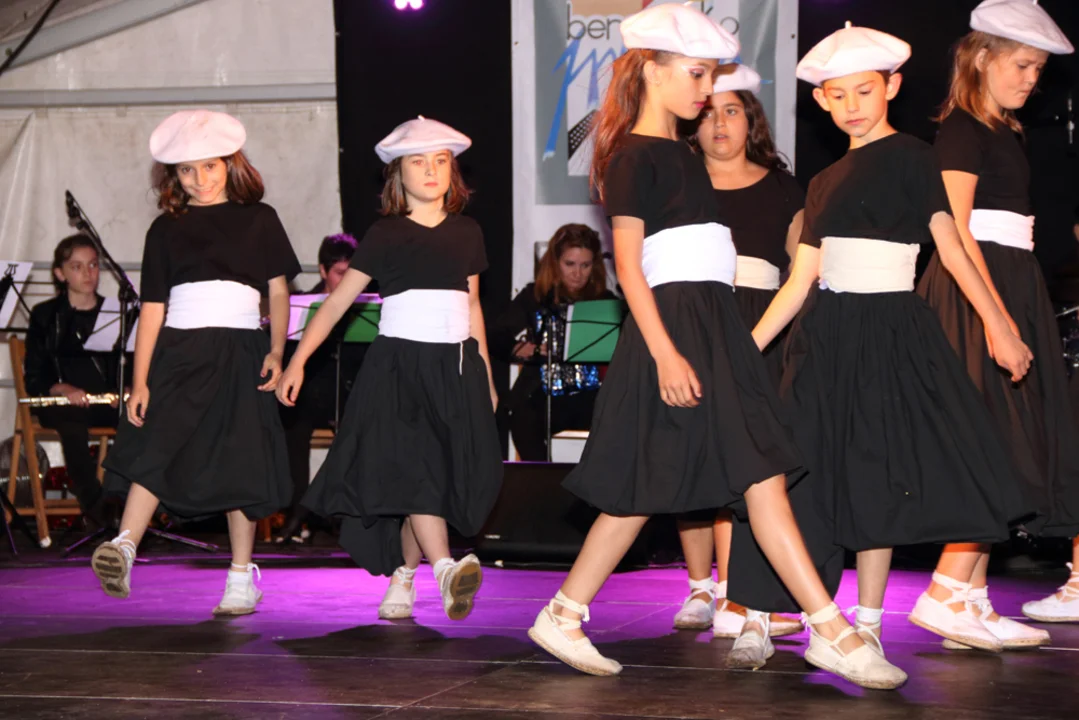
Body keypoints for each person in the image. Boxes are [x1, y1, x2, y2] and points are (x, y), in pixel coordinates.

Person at [527, 4, 906, 690]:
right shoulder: (634, 157)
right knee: (644, 486)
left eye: (710, 75)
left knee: (758, 477)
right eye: (697, 74)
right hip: (674, 328)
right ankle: (564, 612)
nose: (706, 90)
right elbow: (628, 267)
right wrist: (666, 353)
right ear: (652, 71)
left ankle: (830, 630)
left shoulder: (679, 153)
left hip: (712, 324)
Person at [740, 22, 1033, 668]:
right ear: (821, 100)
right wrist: (743, 351)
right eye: (837, 94)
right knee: (802, 469)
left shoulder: (912, 157)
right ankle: (777, 612)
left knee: (879, 473)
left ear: (892, 87)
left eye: (864, 91)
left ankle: (868, 623)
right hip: (825, 337)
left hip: (891, 330)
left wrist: (998, 323)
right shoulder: (822, 181)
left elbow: (951, 247)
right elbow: (799, 282)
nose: (851, 105)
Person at [279, 116, 503, 623]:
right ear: (398, 174)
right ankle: (445, 569)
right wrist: (298, 359)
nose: (431, 170)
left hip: (455, 369)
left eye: (440, 161)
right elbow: (336, 304)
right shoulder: (385, 234)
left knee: (432, 481)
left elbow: (472, 306)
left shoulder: (467, 232)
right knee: (419, 473)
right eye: (418, 162)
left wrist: (487, 375)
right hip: (399, 369)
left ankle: (404, 576)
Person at [92, 110, 299, 616]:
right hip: (180, 352)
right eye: (187, 170)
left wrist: (276, 350)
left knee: (241, 459)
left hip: (242, 350)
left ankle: (240, 577)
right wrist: (140, 379)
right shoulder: (166, 229)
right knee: (156, 442)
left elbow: (278, 291)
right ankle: (124, 546)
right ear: (174, 176)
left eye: (210, 166)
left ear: (230, 164)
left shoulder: (260, 218)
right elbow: (153, 309)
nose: (200, 179)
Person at [916, 0, 1079, 638]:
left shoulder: (1001, 129)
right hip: (977, 290)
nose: (1031, 79)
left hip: (1009, 279)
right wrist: (997, 321)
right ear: (982, 57)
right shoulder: (962, 129)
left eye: (1038, 70)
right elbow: (955, 231)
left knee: (1003, 439)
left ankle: (971, 599)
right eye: (1022, 65)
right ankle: (946, 588)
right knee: (992, 444)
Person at [671, 65, 805, 661]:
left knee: (751, 465)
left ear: (752, 120)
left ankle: (738, 593)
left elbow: (803, 268)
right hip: (697, 320)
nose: (720, 123)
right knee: (695, 456)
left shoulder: (784, 188)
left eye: (732, 111)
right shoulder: (680, 182)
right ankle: (702, 584)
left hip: (764, 326)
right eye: (709, 112)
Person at [24, 234, 127, 527]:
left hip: (105, 401)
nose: (88, 273)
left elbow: (128, 363)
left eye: (93, 265)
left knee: (140, 417)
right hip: (61, 404)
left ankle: (126, 500)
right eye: (77, 267)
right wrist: (59, 387)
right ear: (60, 274)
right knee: (71, 422)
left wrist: (127, 387)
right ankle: (96, 506)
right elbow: (34, 373)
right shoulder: (45, 315)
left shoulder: (115, 312)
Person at [488, 223, 615, 460]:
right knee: (521, 416)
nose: (578, 273)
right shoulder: (535, 296)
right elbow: (495, 336)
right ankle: (542, 479)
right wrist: (522, 349)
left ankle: (592, 482)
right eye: (570, 264)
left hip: (592, 396)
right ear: (555, 263)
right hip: (543, 394)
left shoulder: (604, 301)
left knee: (620, 416)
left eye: (585, 265)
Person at [276, 233, 367, 544]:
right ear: (323, 270)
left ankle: (339, 513)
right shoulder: (302, 306)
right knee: (291, 425)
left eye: (351, 274)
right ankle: (297, 509)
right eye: (340, 273)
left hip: (346, 395)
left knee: (361, 429)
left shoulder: (366, 308)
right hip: (309, 395)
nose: (346, 281)